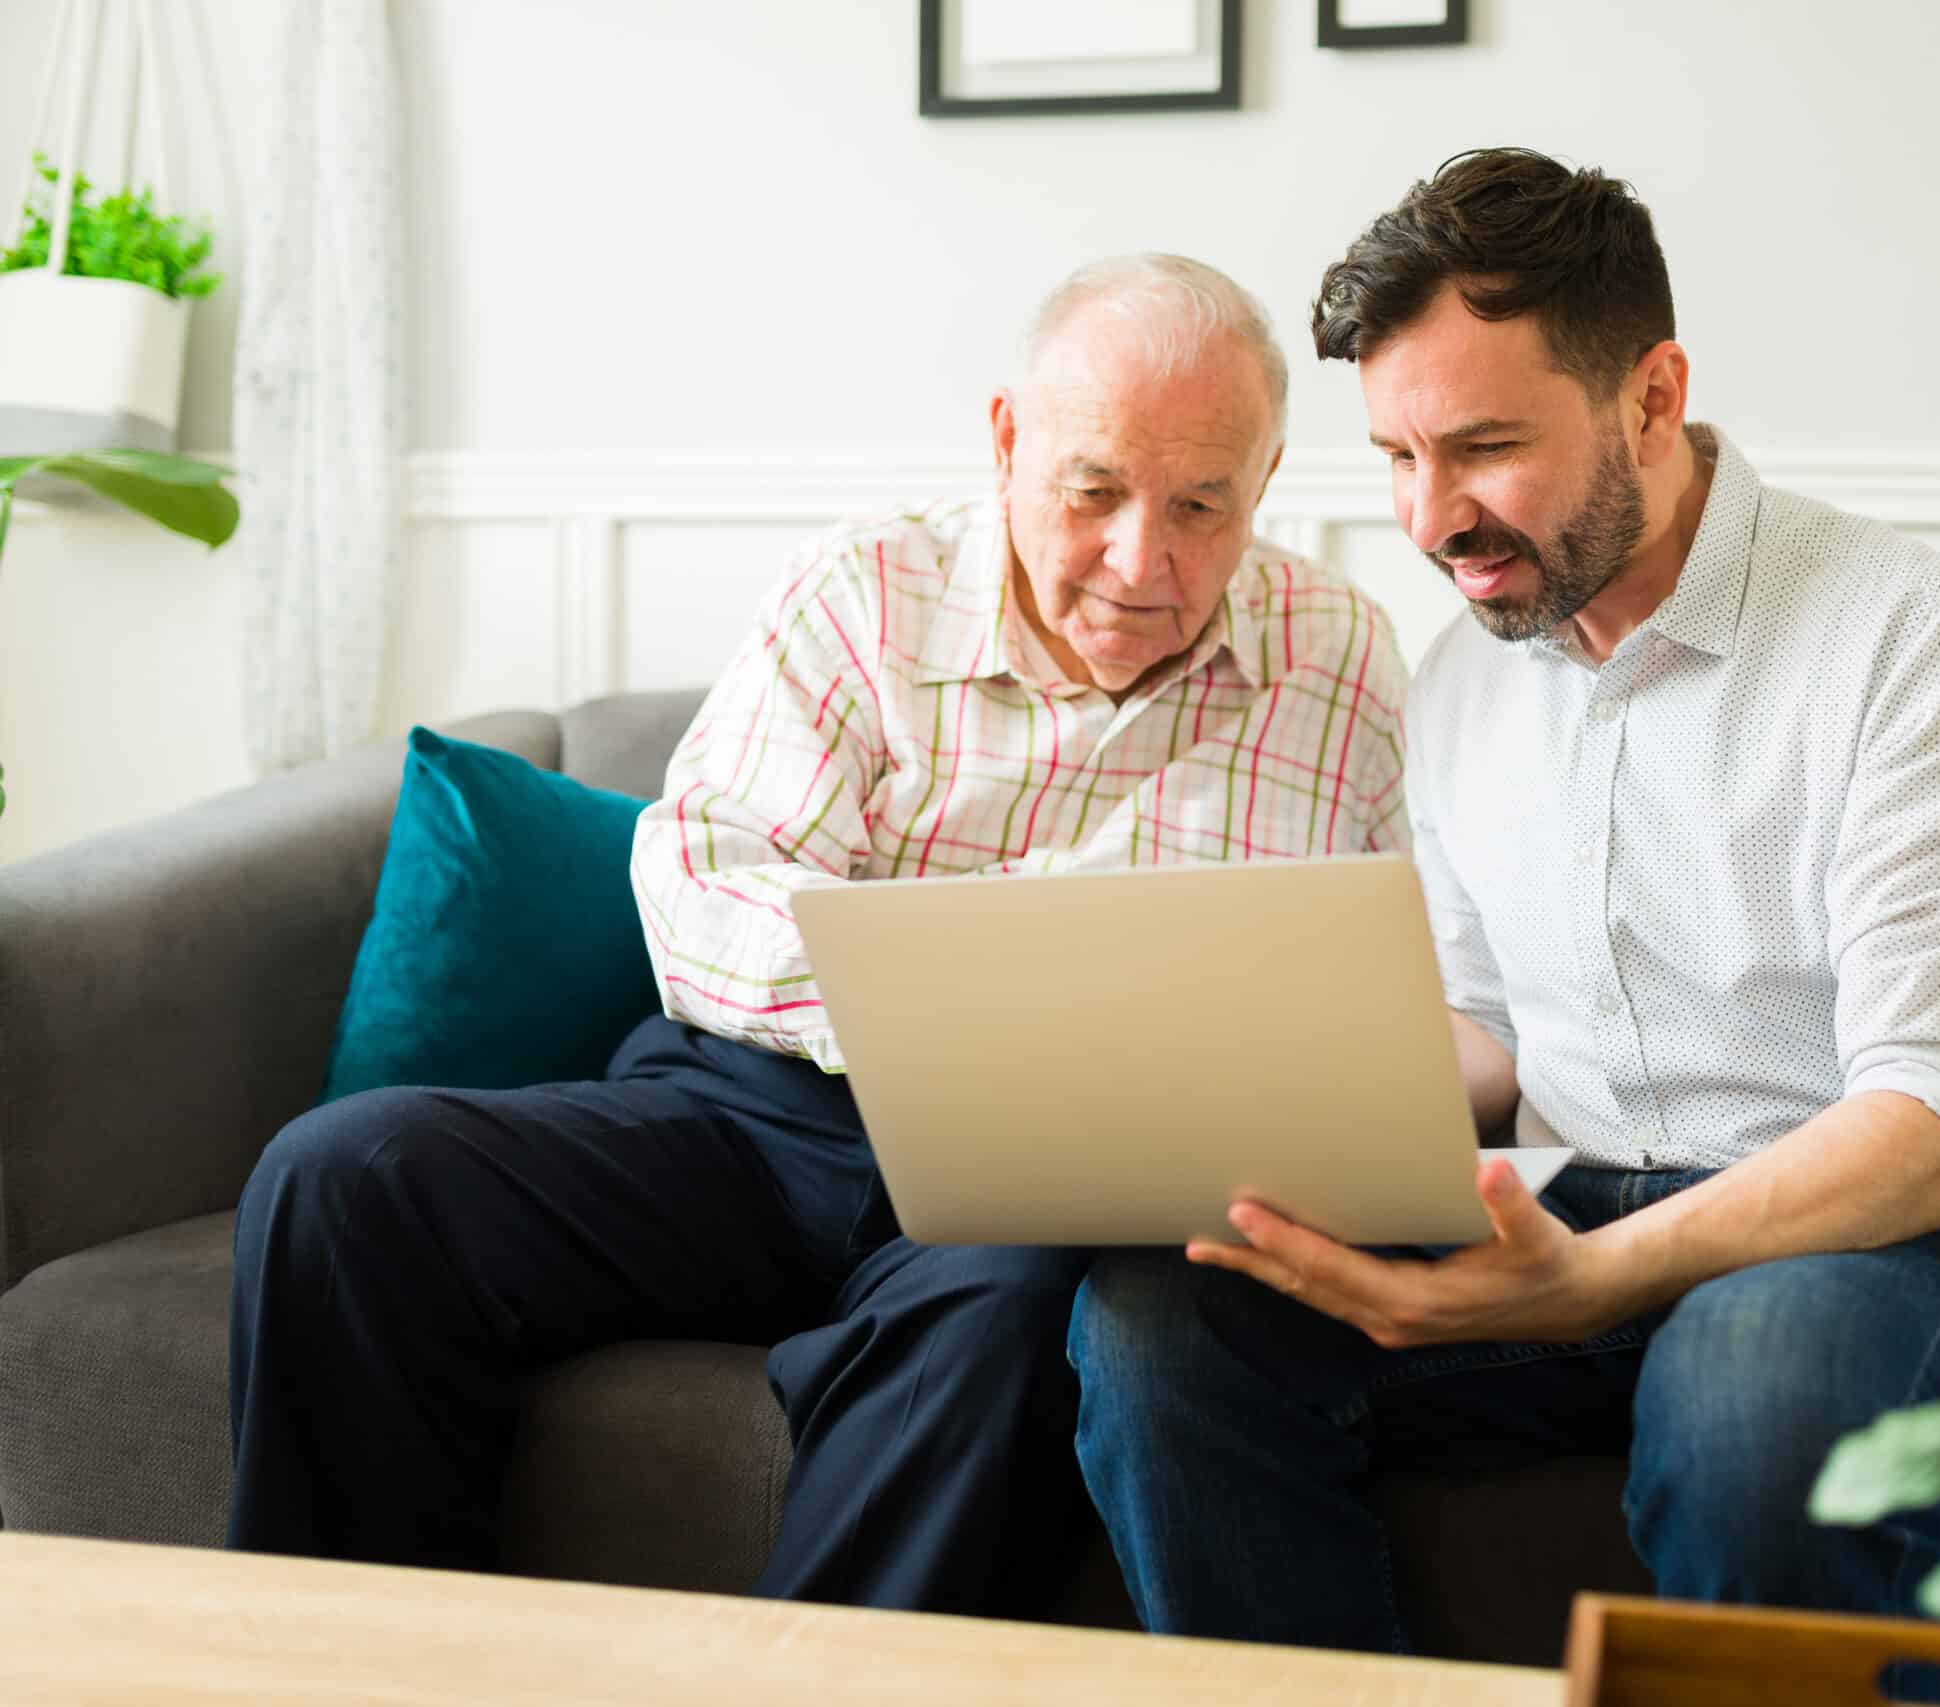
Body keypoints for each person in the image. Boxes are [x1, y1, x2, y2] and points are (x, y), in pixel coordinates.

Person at [225, 253, 1411, 1615]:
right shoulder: (866, 592)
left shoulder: (1338, 657)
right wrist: (937, 1007)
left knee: (1006, 1314)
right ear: (1009, 442)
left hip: (1038, 1183)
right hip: (754, 1118)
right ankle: (344, 1672)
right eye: (1095, 493)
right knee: (347, 1173)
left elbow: (1355, 982)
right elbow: (709, 879)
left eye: (1203, 506)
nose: (1145, 561)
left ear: (1263, 485)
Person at [1068, 152, 1940, 1653]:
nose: (1430, 519)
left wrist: (1591, 1280)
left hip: (1849, 1241)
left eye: (1481, 448)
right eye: (1397, 458)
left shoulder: (1902, 635)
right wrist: (1275, 1108)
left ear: (1652, 396)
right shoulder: (1469, 677)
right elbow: (1483, 1026)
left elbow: (1936, 1121)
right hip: (1561, 1203)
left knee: (1756, 1405)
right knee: (1164, 1325)